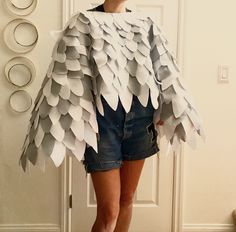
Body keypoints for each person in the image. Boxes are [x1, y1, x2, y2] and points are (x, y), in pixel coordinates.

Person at [19, 0, 204, 231]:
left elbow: (164, 70)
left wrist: (168, 110)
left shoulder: (146, 23)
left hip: (140, 121)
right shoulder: (83, 22)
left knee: (126, 200)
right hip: (102, 125)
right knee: (109, 211)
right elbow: (67, 78)